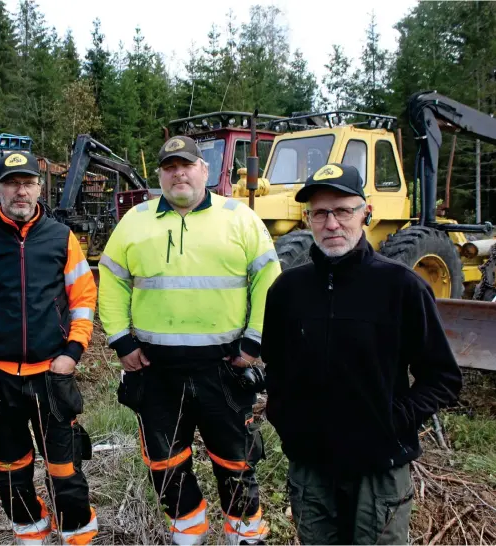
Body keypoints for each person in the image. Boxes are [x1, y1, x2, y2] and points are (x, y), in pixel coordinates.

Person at [261, 163, 463, 545]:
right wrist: (286, 420)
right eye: (320, 213)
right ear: (308, 219)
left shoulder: (401, 287)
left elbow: (443, 378)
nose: (332, 223)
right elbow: (276, 366)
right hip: (311, 466)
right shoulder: (288, 291)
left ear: (366, 213)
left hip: (380, 467)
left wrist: (393, 419)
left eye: (343, 210)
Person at [98, 135, 281, 545]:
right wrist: (121, 342)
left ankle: (245, 535)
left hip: (224, 368)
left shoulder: (240, 218)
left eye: (186, 165)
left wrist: (253, 343)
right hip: (156, 370)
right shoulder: (136, 221)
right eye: (169, 167)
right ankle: (187, 533)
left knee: (236, 461)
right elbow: (111, 280)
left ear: (204, 171)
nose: (178, 173)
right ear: (160, 175)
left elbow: (268, 281)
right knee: (164, 462)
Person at [0, 151, 98, 545]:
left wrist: (72, 353)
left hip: (52, 377)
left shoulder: (61, 238)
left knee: (65, 471)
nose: (20, 191)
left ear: (40, 188)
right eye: (11, 183)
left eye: (27, 183)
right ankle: (31, 535)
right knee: (12, 471)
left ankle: (78, 536)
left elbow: (83, 300)